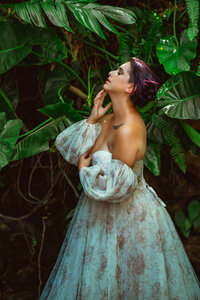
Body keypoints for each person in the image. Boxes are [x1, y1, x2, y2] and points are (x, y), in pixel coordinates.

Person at [40, 57, 200, 299]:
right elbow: (74, 151)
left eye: (120, 71)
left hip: (130, 220)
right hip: (98, 218)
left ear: (130, 87)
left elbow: (116, 186)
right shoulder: (109, 119)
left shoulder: (129, 127)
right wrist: (92, 119)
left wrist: (84, 170)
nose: (111, 73)